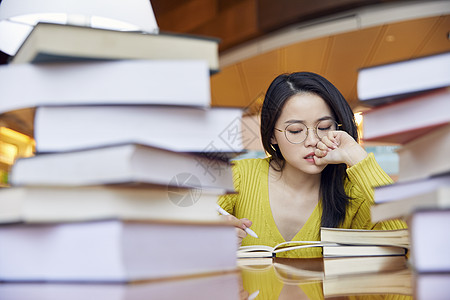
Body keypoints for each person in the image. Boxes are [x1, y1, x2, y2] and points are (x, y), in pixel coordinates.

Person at [218, 72, 406, 258]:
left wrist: (358, 158)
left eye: (324, 127)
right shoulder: (239, 177)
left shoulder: (355, 195)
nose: (313, 140)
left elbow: (408, 244)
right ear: (272, 135)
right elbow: (193, 240)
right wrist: (211, 238)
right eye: (296, 130)